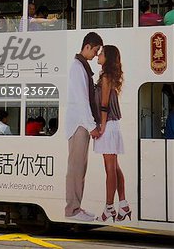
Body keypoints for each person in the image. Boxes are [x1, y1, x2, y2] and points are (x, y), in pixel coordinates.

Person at [65, 32, 103, 221]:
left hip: (81, 124)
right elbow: (82, 100)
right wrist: (91, 126)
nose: (96, 55)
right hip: (79, 124)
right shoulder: (77, 67)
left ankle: (76, 207)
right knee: (76, 168)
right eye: (95, 50)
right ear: (87, 46)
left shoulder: (81, 66)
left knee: (80, 168)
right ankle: (72, 209)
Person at [94, 45, 131, 222]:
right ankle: (123, 205)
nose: (97, 56)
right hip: (111, 124)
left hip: (107, 123)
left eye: (100, 54)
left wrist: (101, 126)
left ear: (107, 57)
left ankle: (109, 207)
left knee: (110, 168)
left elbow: (104, 104)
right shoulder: (109, 76)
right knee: (115, 167)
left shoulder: (106, 77)